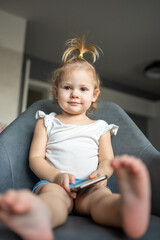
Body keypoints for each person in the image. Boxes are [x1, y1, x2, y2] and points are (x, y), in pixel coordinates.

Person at [0, 36, 151, 240]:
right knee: (53, 200)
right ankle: (37, 219)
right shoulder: (46, 122)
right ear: (56, 91)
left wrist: (101, 175)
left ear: (94, 95)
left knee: (101, 201)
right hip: (53, 182)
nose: (74, 95)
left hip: (89, 186)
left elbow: (107, 160)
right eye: (67, 87)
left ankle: (126, 210)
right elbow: (35, 158)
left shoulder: (100, 128)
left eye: (83, 89)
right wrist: (56, 177)